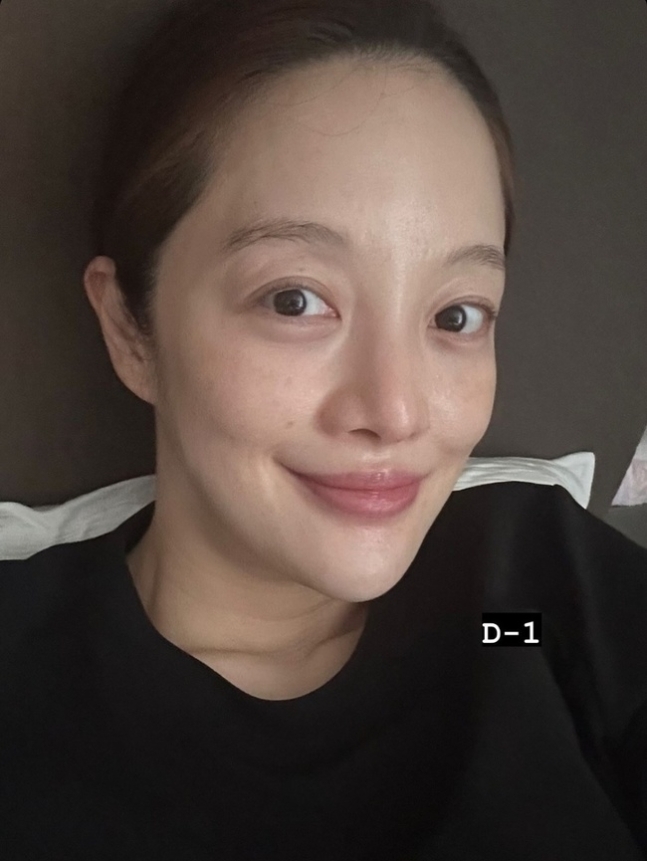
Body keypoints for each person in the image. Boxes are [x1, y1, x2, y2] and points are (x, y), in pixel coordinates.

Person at [1, 1, 646, 858]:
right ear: (130, 329)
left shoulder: (522, 604)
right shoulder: (24, 675)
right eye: (294, 299)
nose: (397, 411)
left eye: (455, 314)